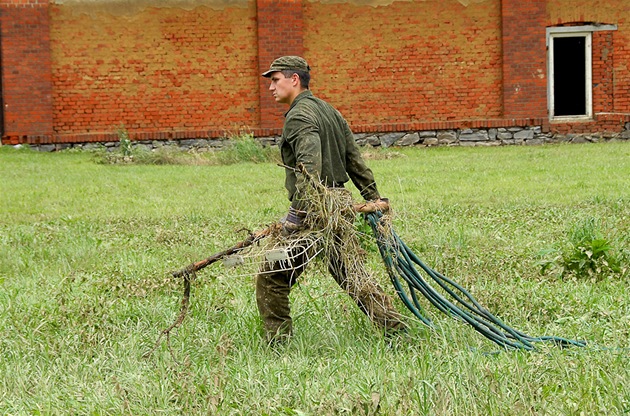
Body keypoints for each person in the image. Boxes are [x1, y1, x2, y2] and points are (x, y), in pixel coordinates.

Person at [257, 56, 405, 343]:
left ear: (294, 79)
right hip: (338, 204)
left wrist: (297, 216)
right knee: (351, 274)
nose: (271, 88)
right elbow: (355, 161)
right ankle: (396, 331)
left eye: (275, 80)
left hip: (313, 212)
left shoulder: (299, 116)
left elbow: (308, 170)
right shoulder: (330, 111)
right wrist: (373, 198)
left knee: (272, 276)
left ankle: (277, 344)